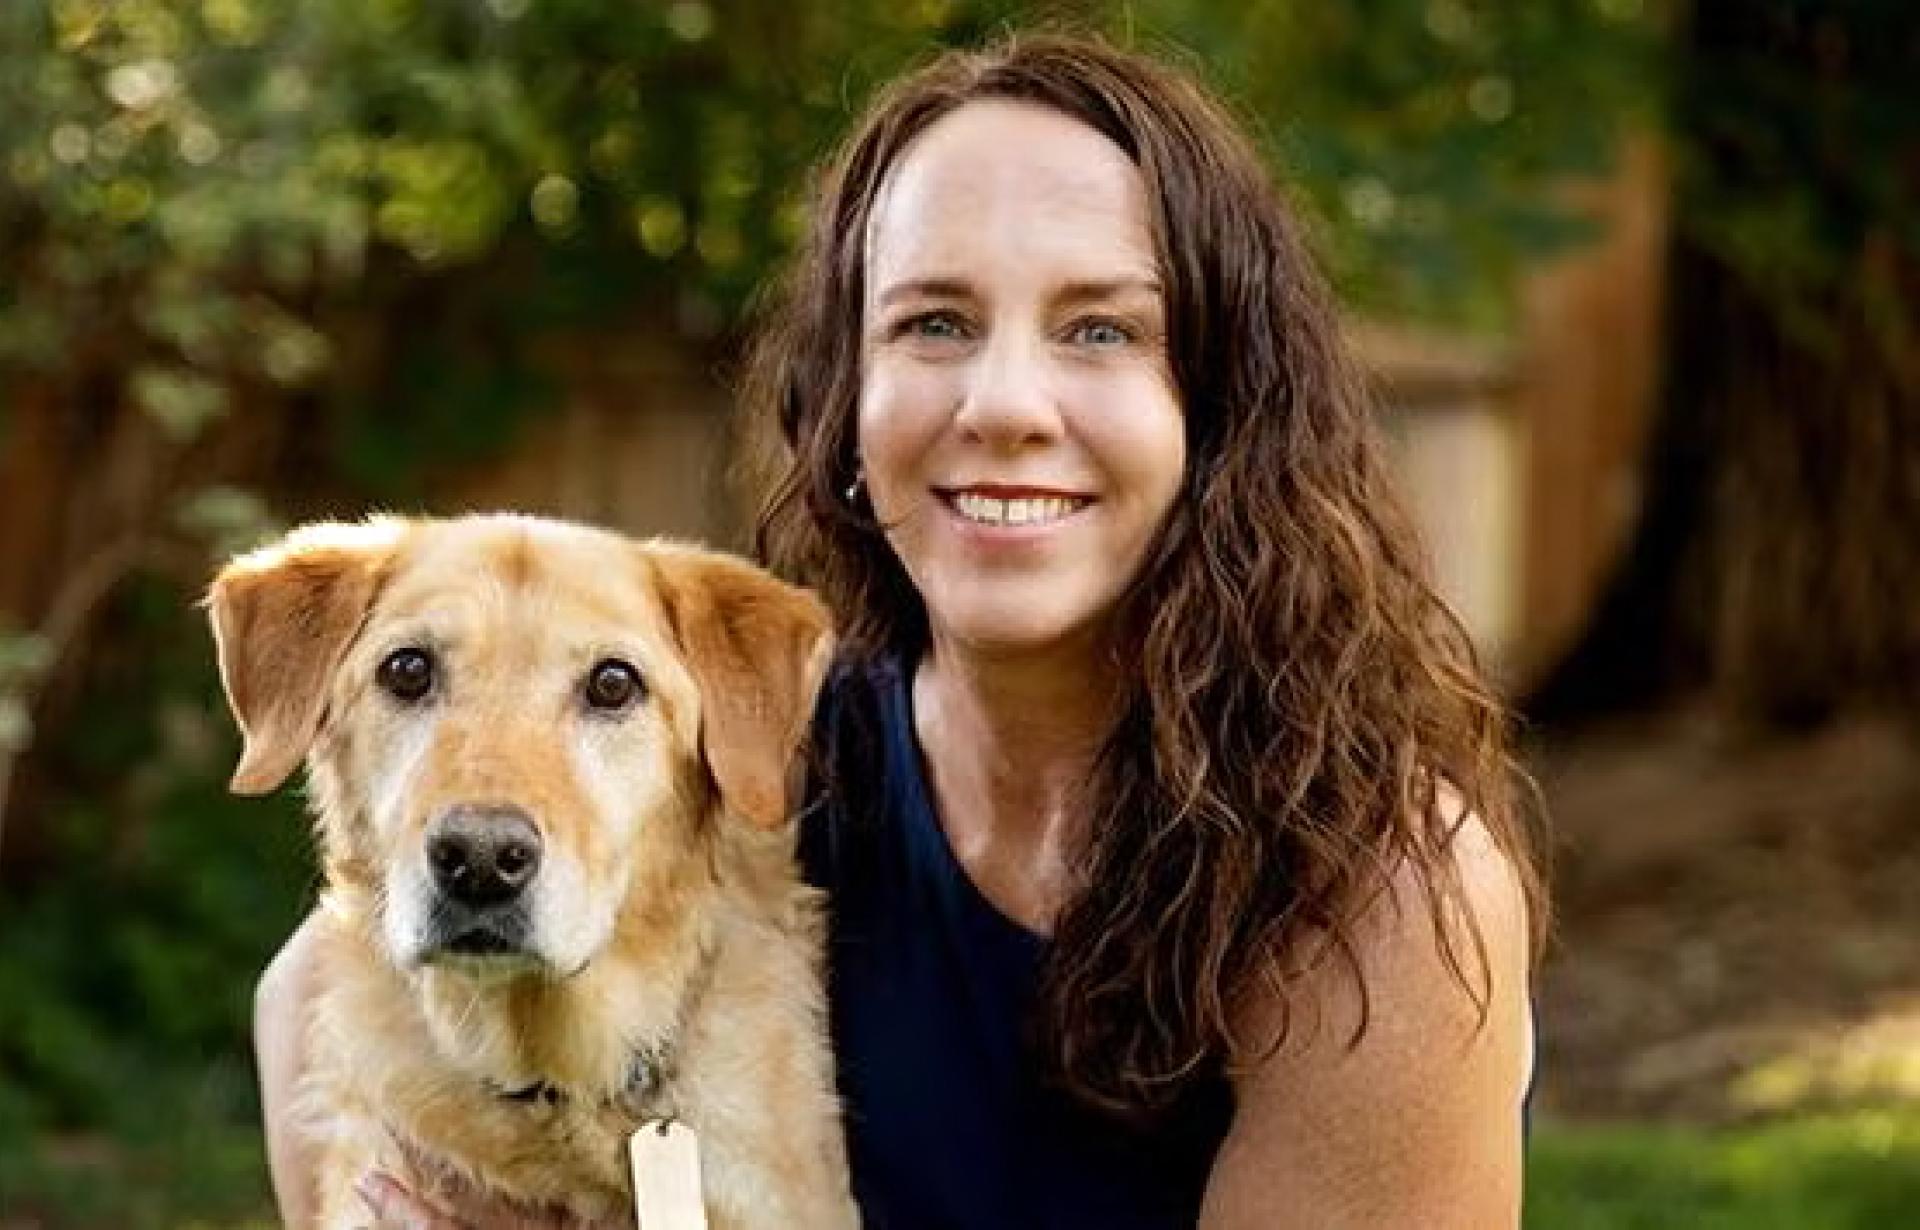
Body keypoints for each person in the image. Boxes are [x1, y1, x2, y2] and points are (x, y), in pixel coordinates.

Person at [261, 32, 1542, 1230]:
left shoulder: (1375, 901)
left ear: (1217, 409)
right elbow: (311, 985)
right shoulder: (765, 762)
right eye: (934, 324)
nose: (1004, 404)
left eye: (1101, 329)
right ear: (845, 407)